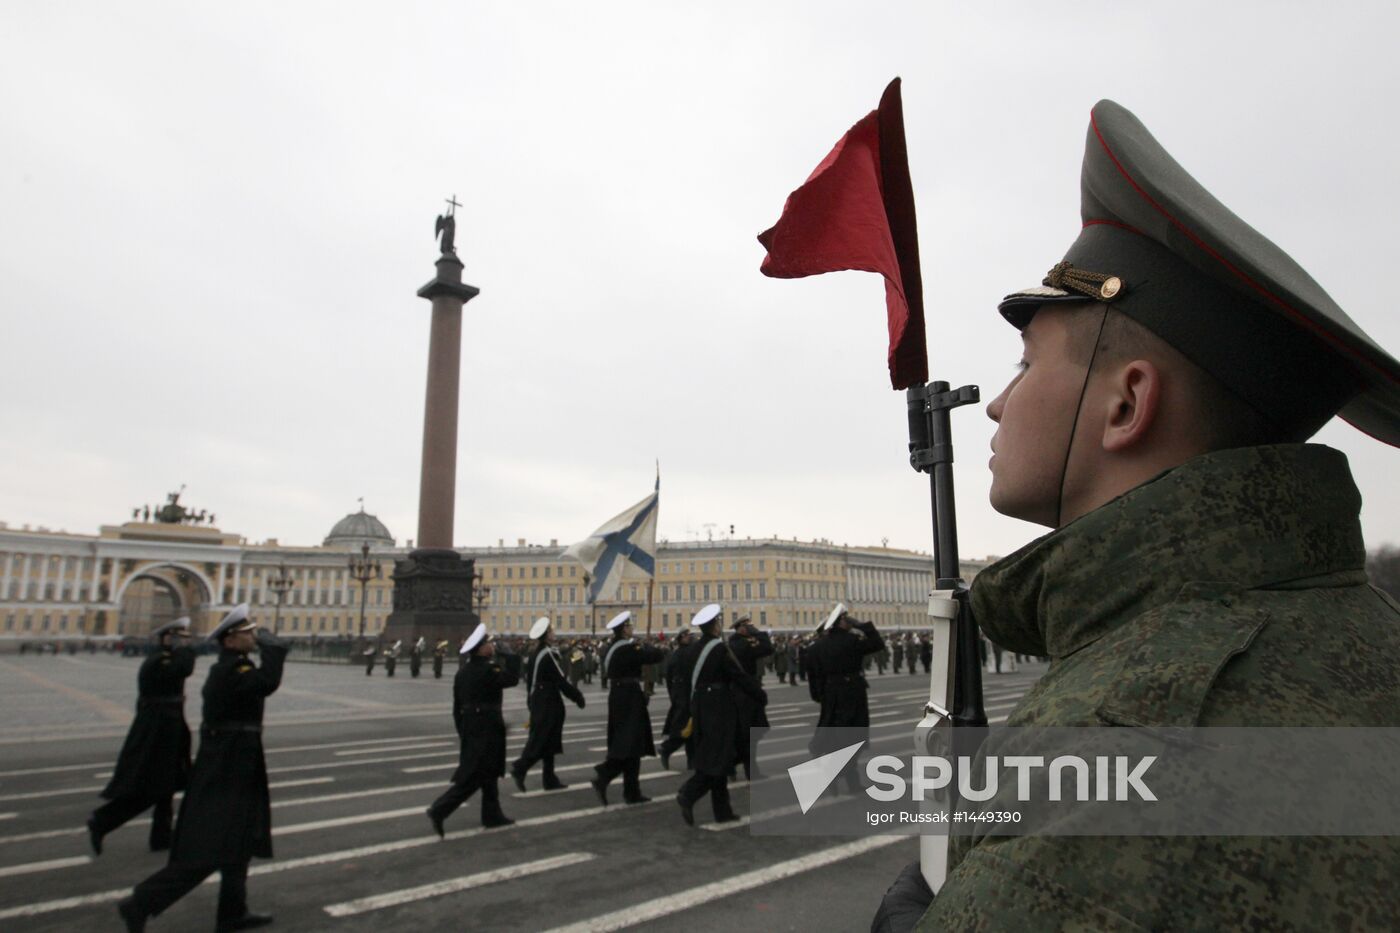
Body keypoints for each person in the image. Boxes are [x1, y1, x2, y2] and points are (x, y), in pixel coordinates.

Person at [873, 100, 1400, 932]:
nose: (997, 405)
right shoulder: (1360, 631)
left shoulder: (1128, 728)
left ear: (1126, 403)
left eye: (1026, 360)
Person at [117, 604, 287, 933]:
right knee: (212, 847)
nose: (252, 636)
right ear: (229, 640)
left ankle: (232, 914)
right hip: (227, 766)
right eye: (246, 633)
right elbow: (265, 683)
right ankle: (140, 903)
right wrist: (275, 649)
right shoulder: (230, 672)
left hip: (235, 760)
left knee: (237, 843)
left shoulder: (233, 666)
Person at [89, 618, 195, 855]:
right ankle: (103, 820)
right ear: (167, 637)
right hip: (159, 730)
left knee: (166, 784)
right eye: (180, 636)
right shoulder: (161, 660)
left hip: (167, 726)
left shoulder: (162, 658)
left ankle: (161, 836)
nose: (184, 640)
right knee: (154, 786)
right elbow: (184, 668)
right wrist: (186, 648)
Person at [426, 623, 522, 836]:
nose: (492, 645)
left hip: (472, 727)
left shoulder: (463, 672)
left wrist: (463, 731)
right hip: (487, 727)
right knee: (475, 776)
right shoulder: (489, 669)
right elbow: (512, 679)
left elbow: (456, 708)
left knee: (488, 773)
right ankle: (439, 809)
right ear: (481, 649)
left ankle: (492, 814)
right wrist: (511, 657)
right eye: (488, 643)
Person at [676, 604, 766, 826]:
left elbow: (688, 680)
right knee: (720, 757)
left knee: (717, 757)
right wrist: (758, 693)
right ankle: (689, 793)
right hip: (719, 708)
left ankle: (722, 810)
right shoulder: (719, 648)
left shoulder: (692, 650)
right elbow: (738, 675)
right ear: (715, 626)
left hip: (700, 707)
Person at [590, 611, 665, 805]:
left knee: (631, 745)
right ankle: (606, 773)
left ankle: (631, 791)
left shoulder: (612, 647)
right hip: (630, 696)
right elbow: (656, 656)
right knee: (631, 742)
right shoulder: (628, 648)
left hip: (618, 695)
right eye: (630, 626)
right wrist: (648, 644)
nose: (632, 629)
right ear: (624, 630)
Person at [807, 603, 883, 794]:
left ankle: (839, 777)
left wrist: (818, 695)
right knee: (854, 736)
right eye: (847, 618)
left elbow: (813, 674)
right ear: (840, 622)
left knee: (836, 735)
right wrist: (862, 625)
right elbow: (877, 643)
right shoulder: (852, 640)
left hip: (831, 694)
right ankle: (843, 777)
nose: (849, 621)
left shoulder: (817, 646)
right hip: (853, 692)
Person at [511, 617, 585, 792]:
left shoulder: (537, 652)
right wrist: (577, 696)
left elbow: (530, 680)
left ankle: (549, 778)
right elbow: (560, 680)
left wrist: (530, 700)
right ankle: (520, 768)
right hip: (548, 701)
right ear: (546, 635)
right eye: (551, 631)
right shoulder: (547, 654)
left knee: (549, 739)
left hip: (540, 698)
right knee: (541, 738)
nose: (554, 633)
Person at [727, 613, 773, 781]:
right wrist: (758, 632)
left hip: (745, 692)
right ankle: (743, 767)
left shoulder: (737, 642)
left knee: (748, 734)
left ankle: (735, 765)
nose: (751, 628)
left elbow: (767, 649)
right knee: (748, 734)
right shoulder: (739, 644)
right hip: (745, 693)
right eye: (748, 626)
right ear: (742, 628)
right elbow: (768, 647)